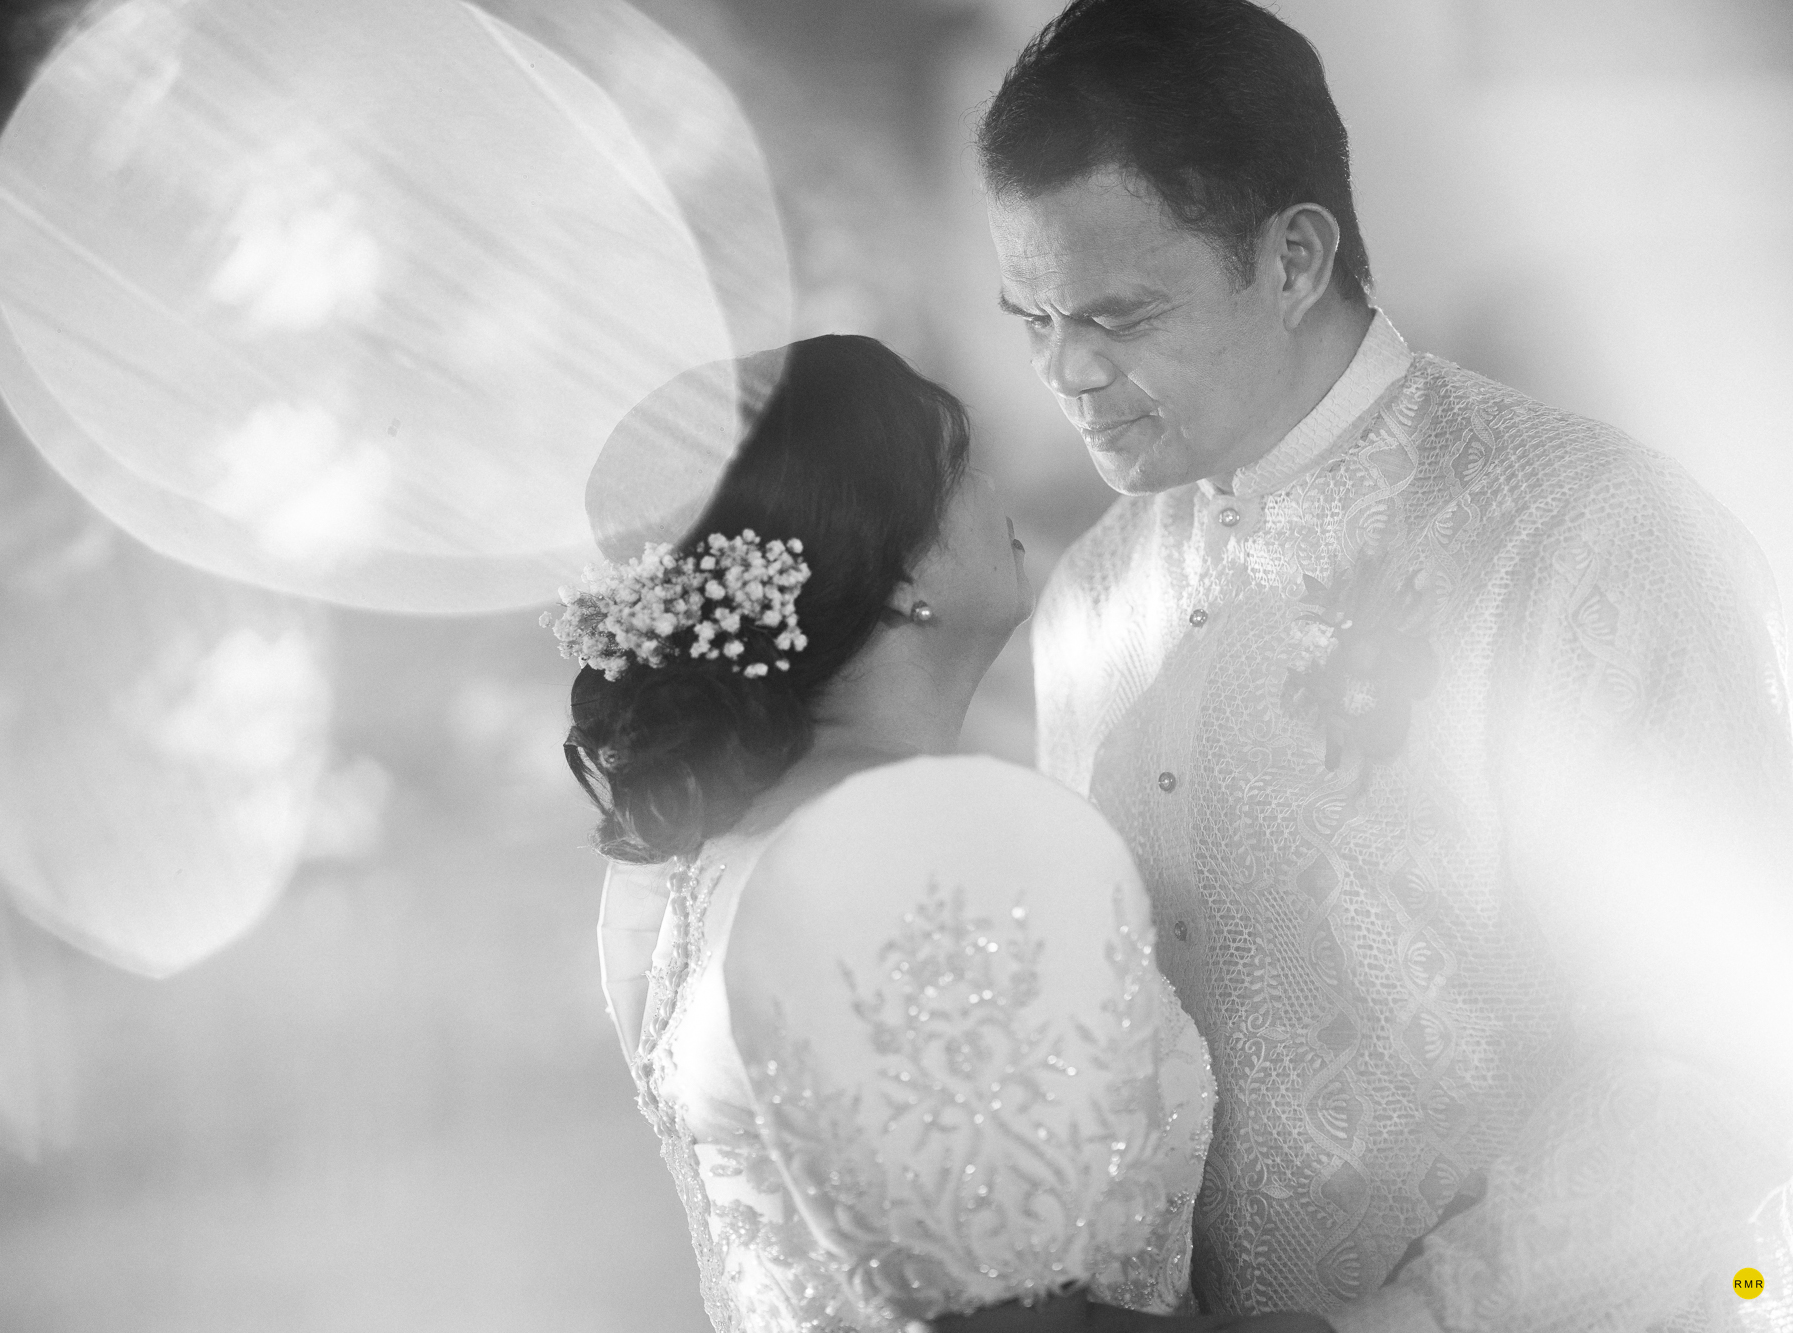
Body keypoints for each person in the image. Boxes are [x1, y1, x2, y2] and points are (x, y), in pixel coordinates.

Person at [979, 3, 1793, 1331]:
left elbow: (1726, 1055)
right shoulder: (1090, 599)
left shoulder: (1590, 538)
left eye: (1118, 313)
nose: (1066, 369)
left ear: (1293, 257)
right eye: (1032, 317)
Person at [554, 335, 1331, 1333]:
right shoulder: (905, 848)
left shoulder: (697, 866)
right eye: (959, 463)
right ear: (887, 572)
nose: (993, 488)